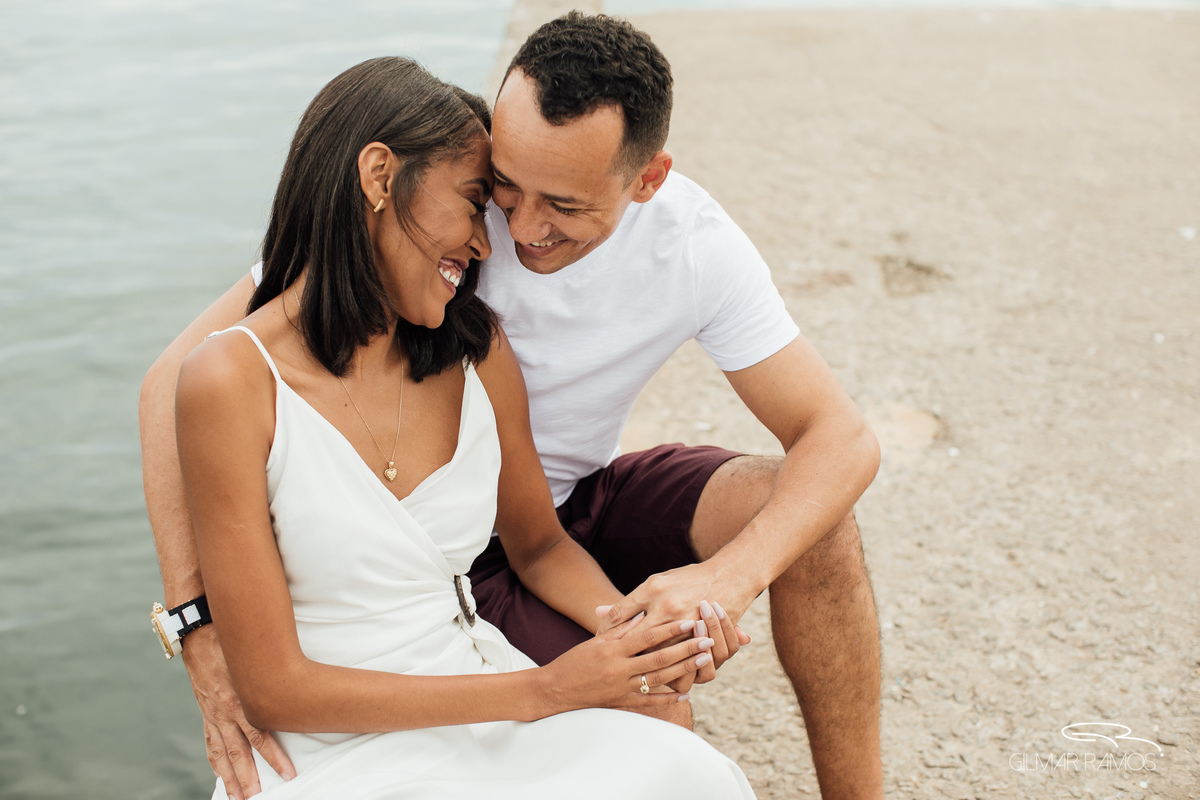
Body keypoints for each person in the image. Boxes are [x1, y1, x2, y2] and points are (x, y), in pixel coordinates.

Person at [141, 13, 883, 800]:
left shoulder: (683, 248)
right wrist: (197, 629)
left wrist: (719, 585)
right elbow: (174, 380)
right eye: (501, 187)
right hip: (461, 562)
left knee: (804, 524)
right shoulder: (393, 230)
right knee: (650, 716)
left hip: (557, 513)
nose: (516, 230)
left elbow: (842, 437)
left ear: (646, 180)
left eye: (561, 203)